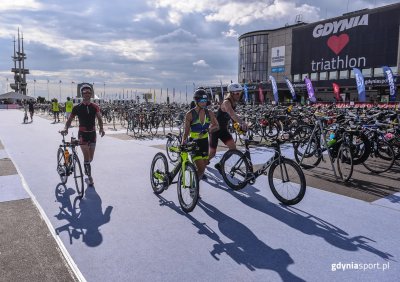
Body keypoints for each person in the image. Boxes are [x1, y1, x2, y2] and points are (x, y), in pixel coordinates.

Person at [60, 84, 105, 186]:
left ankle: (86, 168)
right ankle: (89, 178)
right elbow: (70, 120)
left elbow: (99, 118)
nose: (87, 94)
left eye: (89, 92)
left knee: (91, 158)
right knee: (86, 157)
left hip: (92, 134)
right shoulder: (77, 108)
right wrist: (65, 128)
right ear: (82, 94)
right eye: (85, 92)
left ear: (91, 94)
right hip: (82, 134)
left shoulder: (95, 107)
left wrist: (101, 129)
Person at [209, 83, 248, 173]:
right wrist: (242, 122)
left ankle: (220, 164)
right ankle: (203, 164)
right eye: (237, 93)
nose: (239, 95)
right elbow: (232, 114)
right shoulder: (227, 102)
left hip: (223, 129)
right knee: (212, 153)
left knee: (233, 148)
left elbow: (232, 118)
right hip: (215, 129)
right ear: (231, 93)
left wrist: (239, 126)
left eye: (240, 93)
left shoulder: (234, 102)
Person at [181, 88, 219, 181]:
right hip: (194, 142)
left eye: (205, 101)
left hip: (205, 143)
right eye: (202, 101)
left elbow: (216, 126)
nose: (204, 103)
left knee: (203, 167)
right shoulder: (189, 114)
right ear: (196, 101)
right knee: (201, 168)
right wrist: (183, 142)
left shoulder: (209, 112)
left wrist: (209, 129)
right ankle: (193, 188)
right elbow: (186, 131)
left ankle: (195, 185)